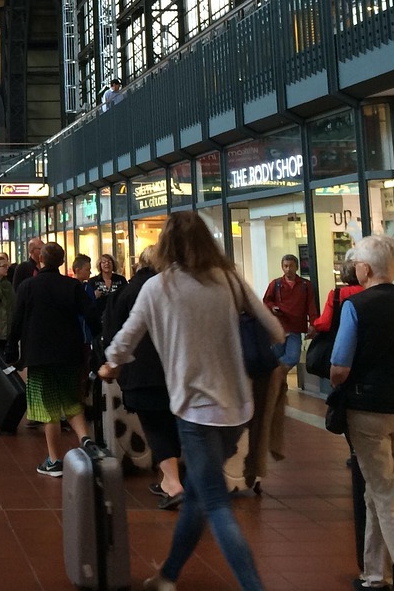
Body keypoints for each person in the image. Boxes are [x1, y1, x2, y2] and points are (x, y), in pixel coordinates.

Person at [99, 211, 283, 591]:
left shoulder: (159, 287)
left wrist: (110, 366)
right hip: (236, 407)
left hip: (195, 410)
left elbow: (125, 339)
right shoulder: (228, 279)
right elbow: (275, 328)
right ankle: (168, 575)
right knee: (199, 493)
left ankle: (254, 586)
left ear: (165, 246)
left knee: (214, 503)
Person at [329, 234, 394, 591]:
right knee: (378, 490)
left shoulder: (355, 307)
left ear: (365, 268)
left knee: (387, 498)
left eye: (357, 262)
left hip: (369, 412)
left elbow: (339, 368)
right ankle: (375, 573)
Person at [102, 246, 183, 509]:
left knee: (155, 425)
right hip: (175, 367)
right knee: (170, 421)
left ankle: (172, 483)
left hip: (142, 369)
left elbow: (117, 331)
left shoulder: (131, 290)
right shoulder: (176, 287)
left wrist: (112, 363)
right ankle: (169, 478)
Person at [7, 242, 97, 476]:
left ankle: (55, 460)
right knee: (71, 400)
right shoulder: (73, 286)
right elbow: (91, 315)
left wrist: (11, 348)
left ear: (42, 260)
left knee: (49, 409)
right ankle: (86, 439)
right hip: (70, 352)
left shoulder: (28, 286)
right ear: (62, 261)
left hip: (39, 355)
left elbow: (17, 320)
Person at [260, 252, 317, 462]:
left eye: (291, 265)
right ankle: (276, 384)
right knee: (274, 357)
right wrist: (272, 308)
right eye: (285, 266)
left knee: (291, 356)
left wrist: (313, 323)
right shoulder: (275, 284)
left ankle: (275, 380)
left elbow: (311, 305)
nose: (288, 269)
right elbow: (265, 301)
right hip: (278, 327)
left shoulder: (305, 286)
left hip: (294, 328)